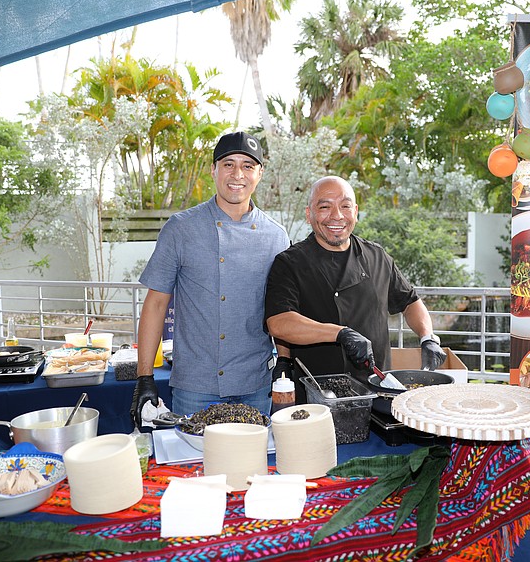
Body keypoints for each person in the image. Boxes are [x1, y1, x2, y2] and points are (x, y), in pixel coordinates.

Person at [130, 131, 290, 428]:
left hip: (255, 384)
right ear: (213, 170)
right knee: (194, 469)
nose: (237, 174)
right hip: (195, 385)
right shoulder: (180, 229)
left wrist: (284, 360)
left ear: (259, 173)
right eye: (228, 164)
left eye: (247, 165)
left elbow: (283, 310)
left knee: (252, 467)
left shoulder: (276, 236)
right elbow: (155, 305)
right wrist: (145, 378)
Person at [264, 175, 446, 402]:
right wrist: (340, 333)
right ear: (309, 214)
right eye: (325, 207)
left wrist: (427, 337)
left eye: (345, 206)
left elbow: (410, 302)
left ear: (356, 212)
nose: (337, 216)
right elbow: (279, 323)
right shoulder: (290, 263)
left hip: (378, 391)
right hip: (320, 395)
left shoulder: (377, 256)